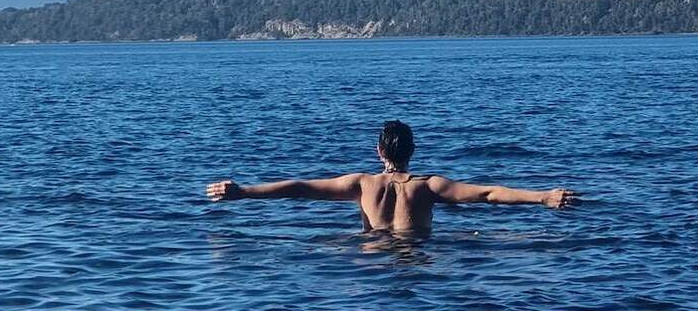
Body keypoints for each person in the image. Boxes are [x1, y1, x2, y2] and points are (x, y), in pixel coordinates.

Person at [206, 120, 578, 233]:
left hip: (371, 263)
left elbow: (300, 188)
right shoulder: (430, 186)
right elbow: (488, 195)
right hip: (419, 258)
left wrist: (244, 193)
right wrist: (543, 196)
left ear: (379, 152)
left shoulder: (362, 185)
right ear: (411, 152)